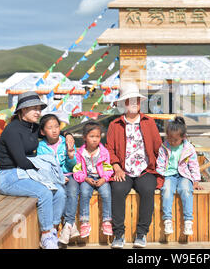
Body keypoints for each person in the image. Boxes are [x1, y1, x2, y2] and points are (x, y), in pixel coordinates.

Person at [0, 91, 75, 249]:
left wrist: (68, 134)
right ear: (23, 110)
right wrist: (48, 172)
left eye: (39, 108)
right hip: (9, 176)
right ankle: (46, 235)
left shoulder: (32, 127)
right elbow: (21, 161)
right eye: (34, 108)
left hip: (25, 172)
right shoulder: (13, 130)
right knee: (44, 192)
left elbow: (51, 130)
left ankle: (52, 229)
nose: (38, 112)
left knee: (59, 191)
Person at [106, 82, 163, 249]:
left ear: (139, 103)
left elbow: (158, 146)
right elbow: (109, 148)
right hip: (123, 170)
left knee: (147, 190)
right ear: (124, 103)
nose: (133, 104)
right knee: (117, 189)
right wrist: (116, 166)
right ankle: (118, 234)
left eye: (136, 101)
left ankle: (141, 233)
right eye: (130, 101)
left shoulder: (149, 122)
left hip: (145, 169)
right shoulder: (114, 124)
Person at [36, 113, 80, 245]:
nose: (54, 130)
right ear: (43, 131)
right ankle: (65, 226)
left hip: (69, 175)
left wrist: (71, 156)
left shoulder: (66, 142)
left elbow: (72, 166)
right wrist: (58, 178)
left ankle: (68, 224)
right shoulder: (41, 147)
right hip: (53, 178)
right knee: (59, 192)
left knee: (72, 190)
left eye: (56, 126)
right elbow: (44, 167)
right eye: (50, 127)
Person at [156, 116, 202, 236]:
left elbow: (194, 165)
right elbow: (160, 163)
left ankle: (188, 221)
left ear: (183, 137)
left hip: (184, 175)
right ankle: (167, 220)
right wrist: (159, 177)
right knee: (166, 190)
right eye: (169, 138)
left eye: (175, 140)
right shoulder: (164, 147)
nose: (171, 142)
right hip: (169, 175)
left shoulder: (188, 148)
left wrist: (196, 180)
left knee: (186, 189)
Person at [71, 121, 114, 239]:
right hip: (87, 178)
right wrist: (85, 178)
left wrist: (105, 179)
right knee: (84, 193)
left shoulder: (104, 152)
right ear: (84, 137)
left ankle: (107, 221)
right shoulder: (80, 153)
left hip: (101, 178)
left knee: (106, 193)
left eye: (97, 136)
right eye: (91, 136)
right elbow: (77, 170)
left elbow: (108, 168)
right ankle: (84, 222)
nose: (95, 139)